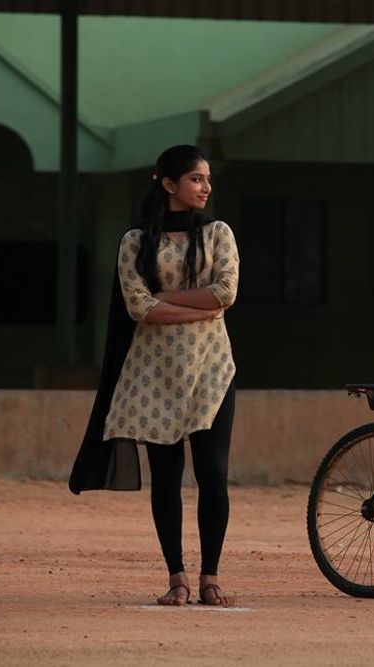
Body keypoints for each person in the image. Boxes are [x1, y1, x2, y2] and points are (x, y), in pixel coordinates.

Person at [69, 145, 239, 606]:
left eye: (207, 179)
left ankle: (210, 577)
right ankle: (177, 577)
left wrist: (165, 299)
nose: (206, 187)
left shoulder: (218, 234)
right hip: (154, 375)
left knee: (213, 473)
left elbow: (225, 293)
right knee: (167, 478)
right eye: (196, 179)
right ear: (168, 184)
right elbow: (137, 307)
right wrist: (198, 307)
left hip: (212, 369)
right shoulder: (135, 242)